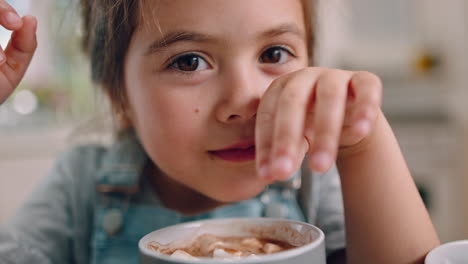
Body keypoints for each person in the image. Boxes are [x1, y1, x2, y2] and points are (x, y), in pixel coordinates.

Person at [0, 0, 440, 263]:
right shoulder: (80, 189)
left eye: (274, 52)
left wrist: (363, 144)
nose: (245, 100)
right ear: (121, 98)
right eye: (189, 61)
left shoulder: (319, 180)